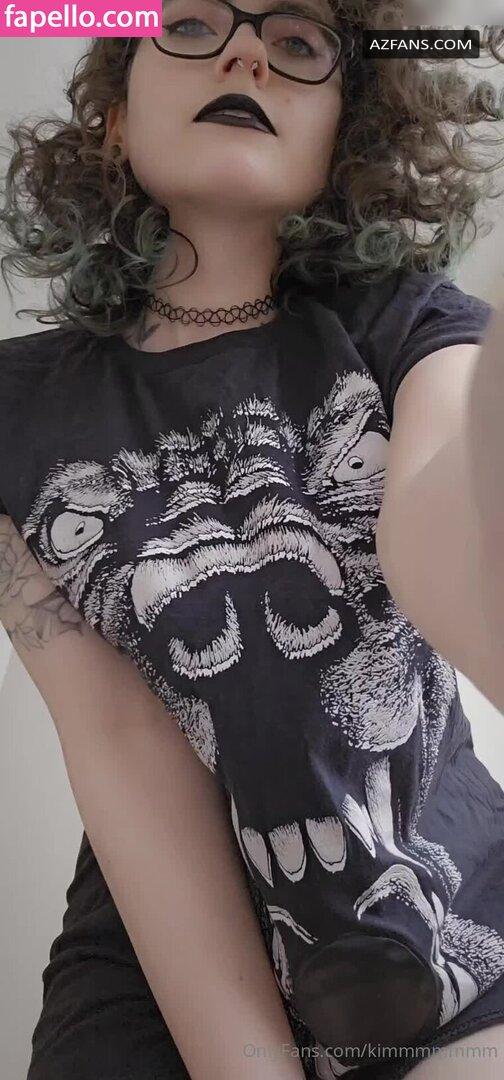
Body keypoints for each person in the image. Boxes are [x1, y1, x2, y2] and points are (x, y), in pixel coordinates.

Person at [0, 3, 504, 1078]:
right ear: (114, 119)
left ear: (345, 136)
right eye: (191, 25)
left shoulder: (414, 326)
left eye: (298, 44)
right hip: (160, 950)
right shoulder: (14, 409)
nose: (245, 53)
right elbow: (117, 739)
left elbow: (440, 540)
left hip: (455, 900)